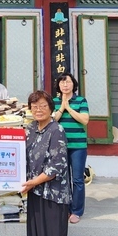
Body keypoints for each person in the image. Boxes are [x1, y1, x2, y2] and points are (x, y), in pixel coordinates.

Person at [21, 90, 71, 236]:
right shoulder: (30, 129)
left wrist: (33, 181)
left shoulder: (56, 130)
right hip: (35, 191)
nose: (38, 110)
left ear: (51, 108)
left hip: (54, 194)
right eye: (34, 106)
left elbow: (56, 166)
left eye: (43, 106)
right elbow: (20, 157)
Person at [52, 73, 90, 224]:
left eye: (67, 82)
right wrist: (62, 107)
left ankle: (76, 211)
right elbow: (51, 121)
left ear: (73, 84)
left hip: (78, 146)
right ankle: (65, 208)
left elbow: (84, 120)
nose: (65, 85)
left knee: (78, 179)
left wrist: (69, 108)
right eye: (62, 82)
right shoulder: (54, 101)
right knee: (62, 179)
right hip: (60, 146)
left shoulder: (81, 100)